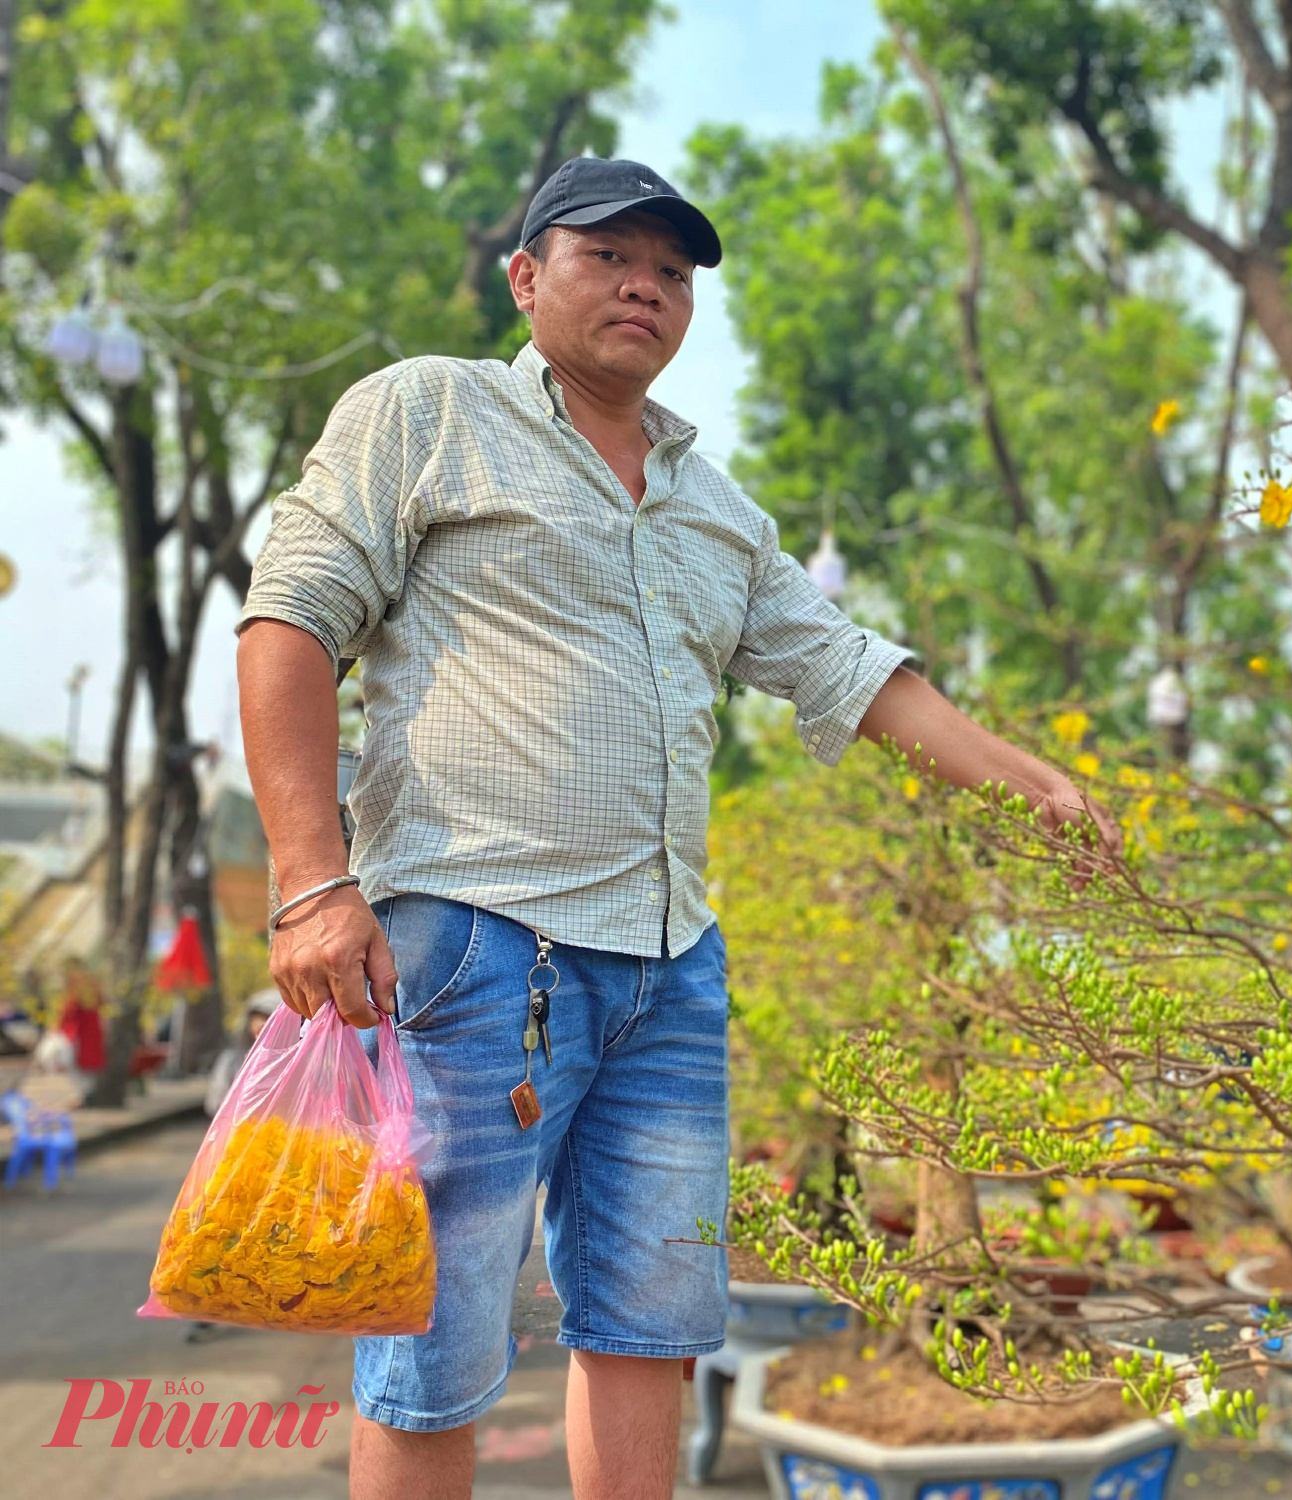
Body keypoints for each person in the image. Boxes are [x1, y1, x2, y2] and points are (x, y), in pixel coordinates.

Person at [234, 156, 1116, 1500]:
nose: (646, 283)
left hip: (668, 965)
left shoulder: (718, 508)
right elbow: (289, 614)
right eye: (608, 255)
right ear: (526, 278)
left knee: (650, 1332)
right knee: (431, 1334)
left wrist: (1031, 782)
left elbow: (851, 667)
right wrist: (310, 883)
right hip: (475, 947)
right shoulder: (430, 412)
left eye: (674, 268)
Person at [202, 987, 282, 1117]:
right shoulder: (231, 1060)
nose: (260, 1024)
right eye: (257, 1018)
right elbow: (215, 1101)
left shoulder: (294, 1061)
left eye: (268, 1017)